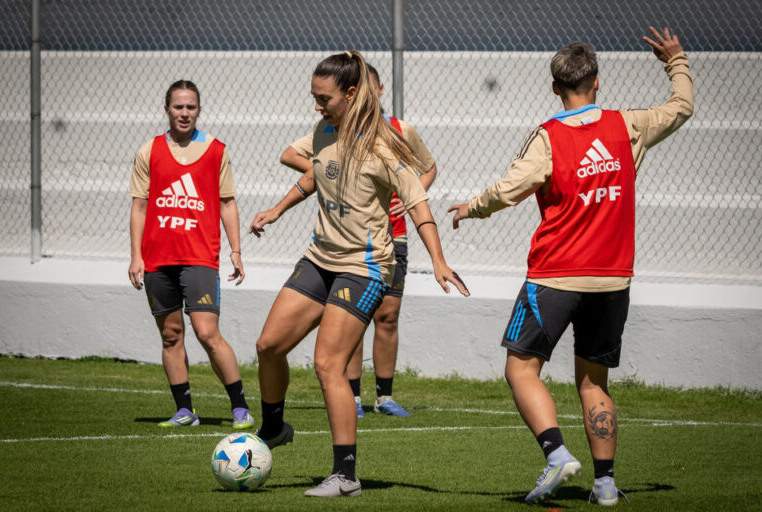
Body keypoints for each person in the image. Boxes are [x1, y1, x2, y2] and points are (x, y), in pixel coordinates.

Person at [448, 27, 693, 505]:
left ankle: (558, 455)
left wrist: (470, 207)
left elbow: (509, 190)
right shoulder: (627, 125)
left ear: (555, 86)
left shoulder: (548, 136)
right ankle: (604, 485)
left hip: (555, 275)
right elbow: (680, 107)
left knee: (520, 368)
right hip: (613, 277)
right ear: (597, 82)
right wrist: (676, 61)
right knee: (593, 381)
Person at [249, 50, 468, 498]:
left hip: (365, 269)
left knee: (328, 364)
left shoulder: (385, 144)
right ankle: (274, 429)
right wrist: (276, 208)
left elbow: (418, 205)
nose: (316, 105)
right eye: (313, 96)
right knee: (268, 346)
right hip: (319, 258)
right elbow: (315, 175)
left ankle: (346, 475)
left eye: (323, 97)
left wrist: (438, 260)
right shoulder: (323, 129)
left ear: (351, 94)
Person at [279, 63, 438, 418]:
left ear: (377, 92)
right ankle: (350, 394)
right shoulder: (330, 129)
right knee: (352, 317)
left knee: (388, 315)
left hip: (392, 236)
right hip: (349, 245)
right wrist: (329, 174)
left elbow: (426, 169)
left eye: (371, 87)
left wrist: (405, 194)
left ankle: (384, 396)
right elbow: (295, 156)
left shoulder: (398, 131)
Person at [128, 80, 254, 430]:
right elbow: (139, 207)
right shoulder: (148, 151)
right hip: (157, 260)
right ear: (166, 108)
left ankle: (240, 408)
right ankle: (185, 410)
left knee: (206, 333)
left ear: (199, 109)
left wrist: (236, 251)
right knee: (170, 336)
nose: (184, 113)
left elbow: (228, 203)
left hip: (199, 257)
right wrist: (135, 256)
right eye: (178, 107)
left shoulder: (216, 150)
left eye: (191, 107)